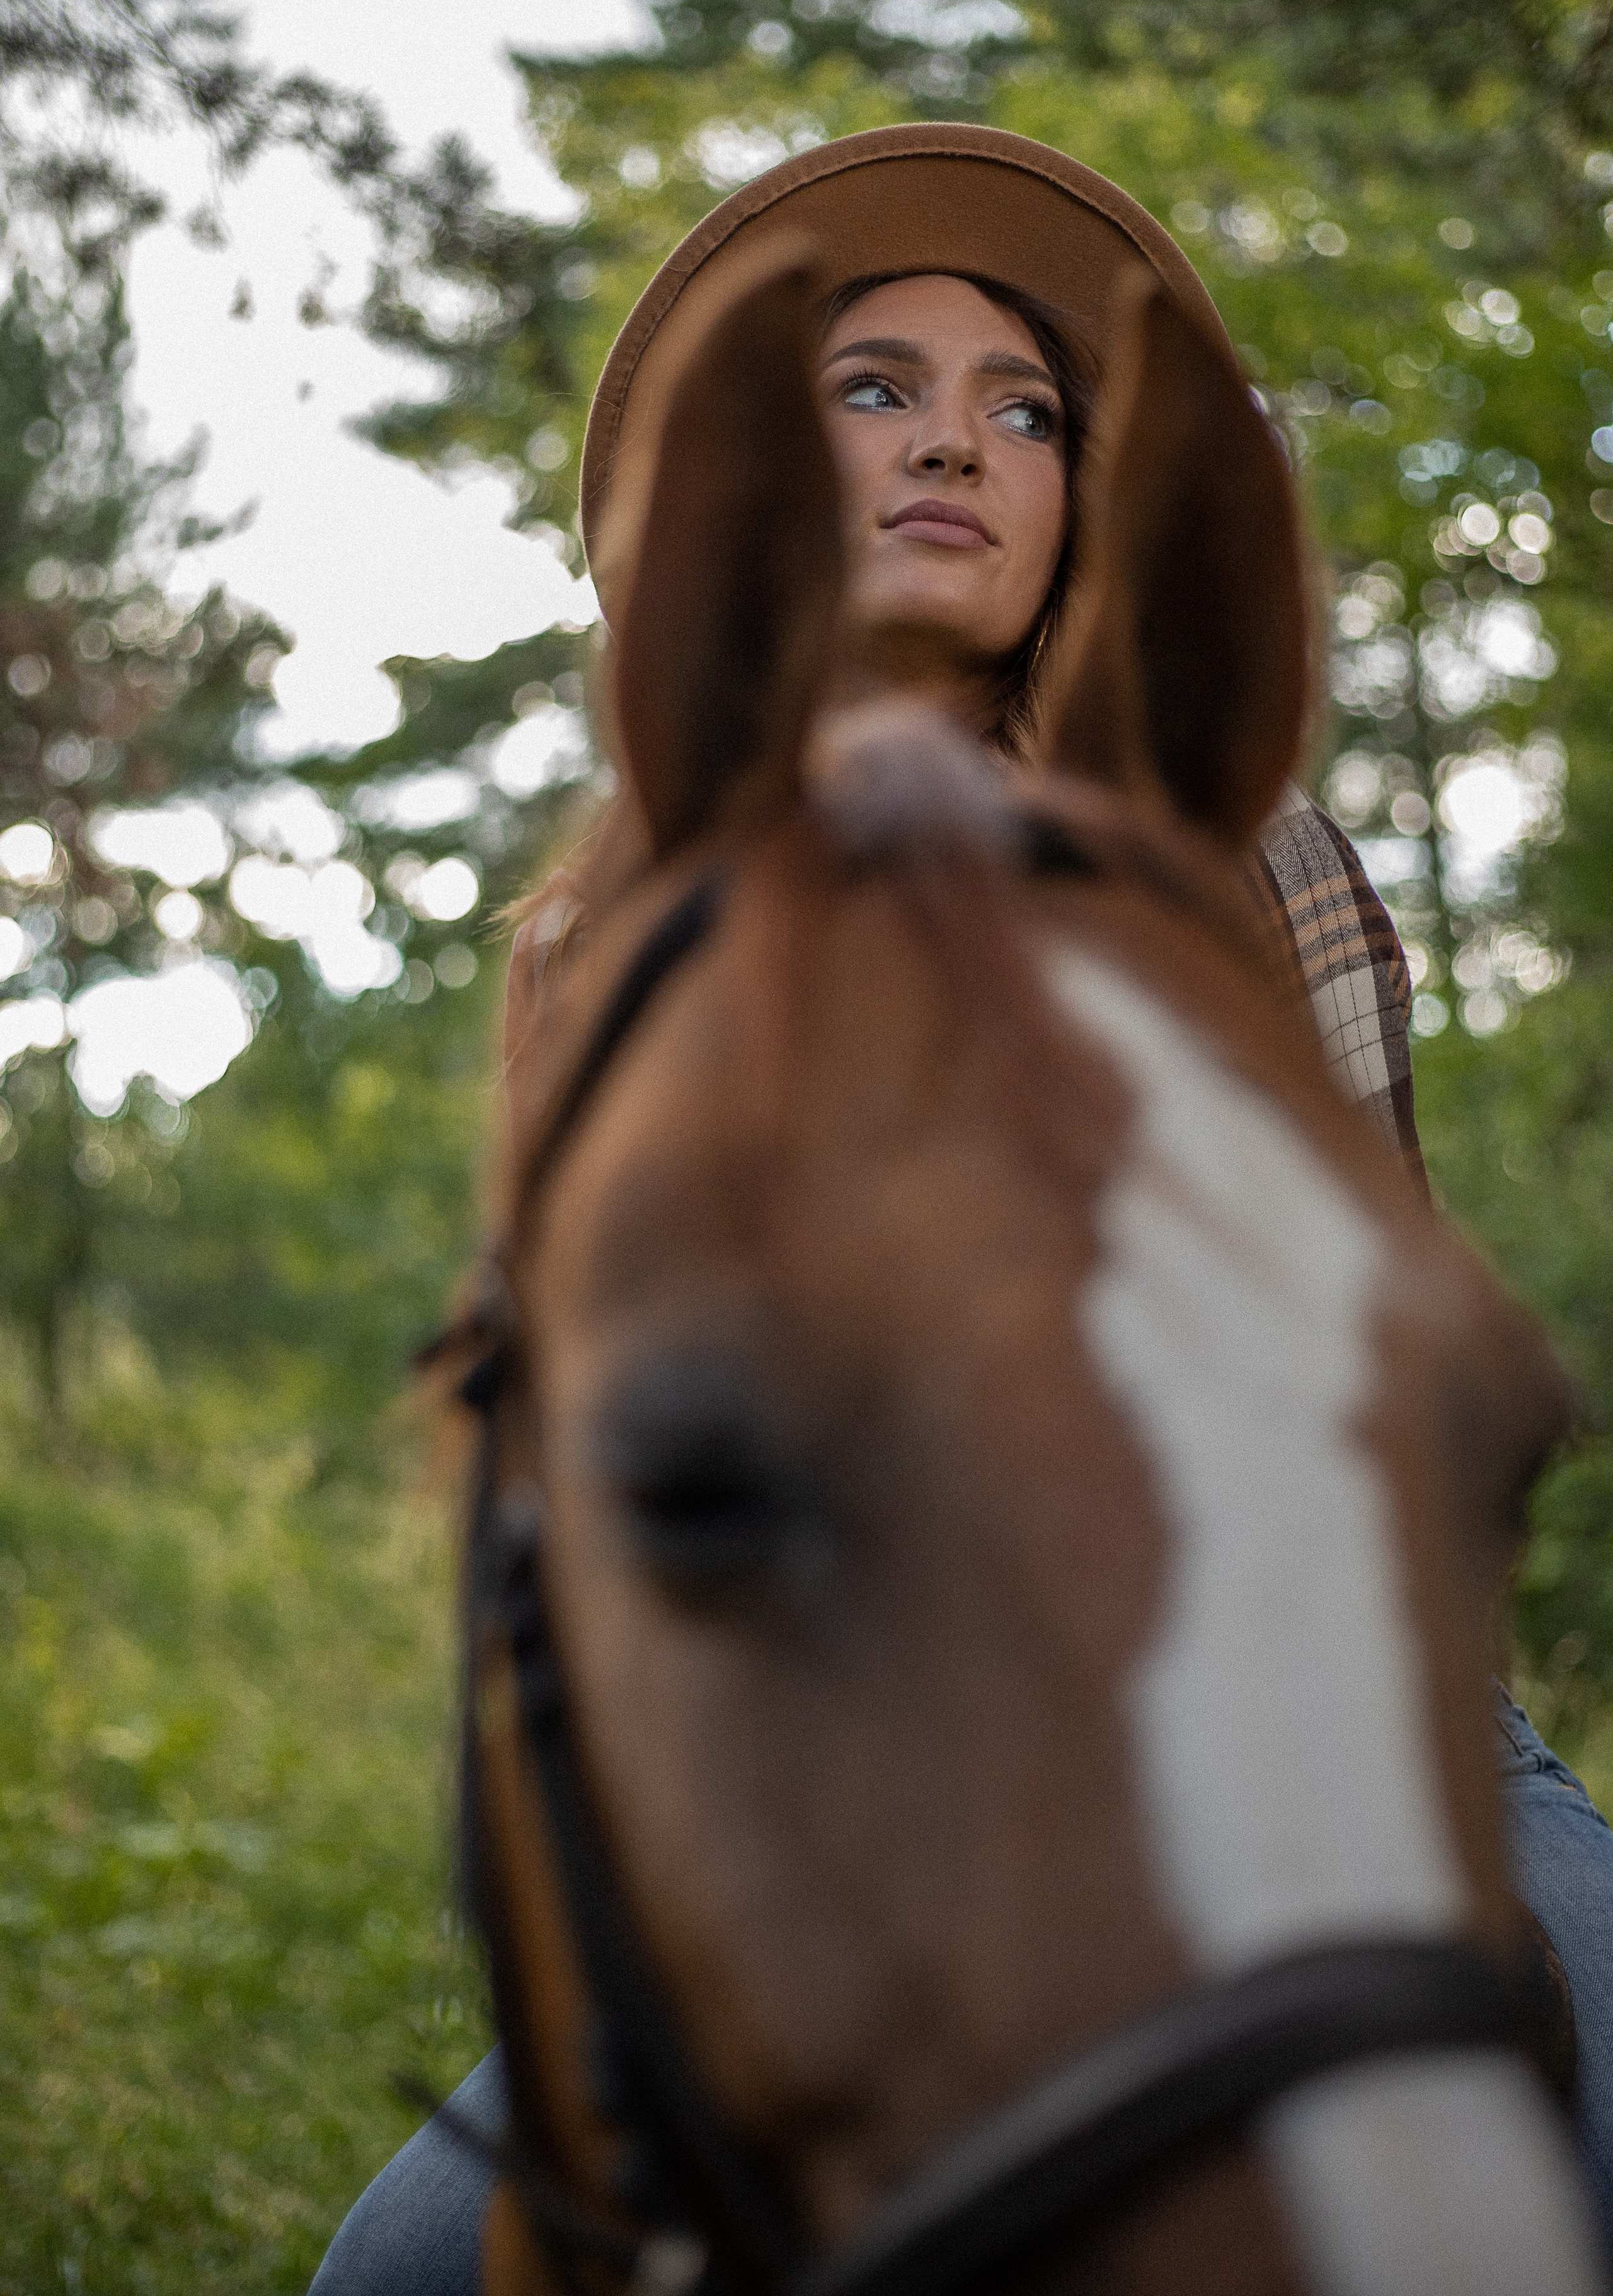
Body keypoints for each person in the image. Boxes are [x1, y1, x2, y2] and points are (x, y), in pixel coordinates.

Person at [309, 127, 1613, 2293]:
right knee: (397, 2275)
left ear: (1080, 508)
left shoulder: (1241, 858)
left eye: (1026, 410)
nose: (957, 440)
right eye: (875, 387)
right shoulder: (597, 951)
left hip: (1303, 1698)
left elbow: (1350, 1384)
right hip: (823, 1763)